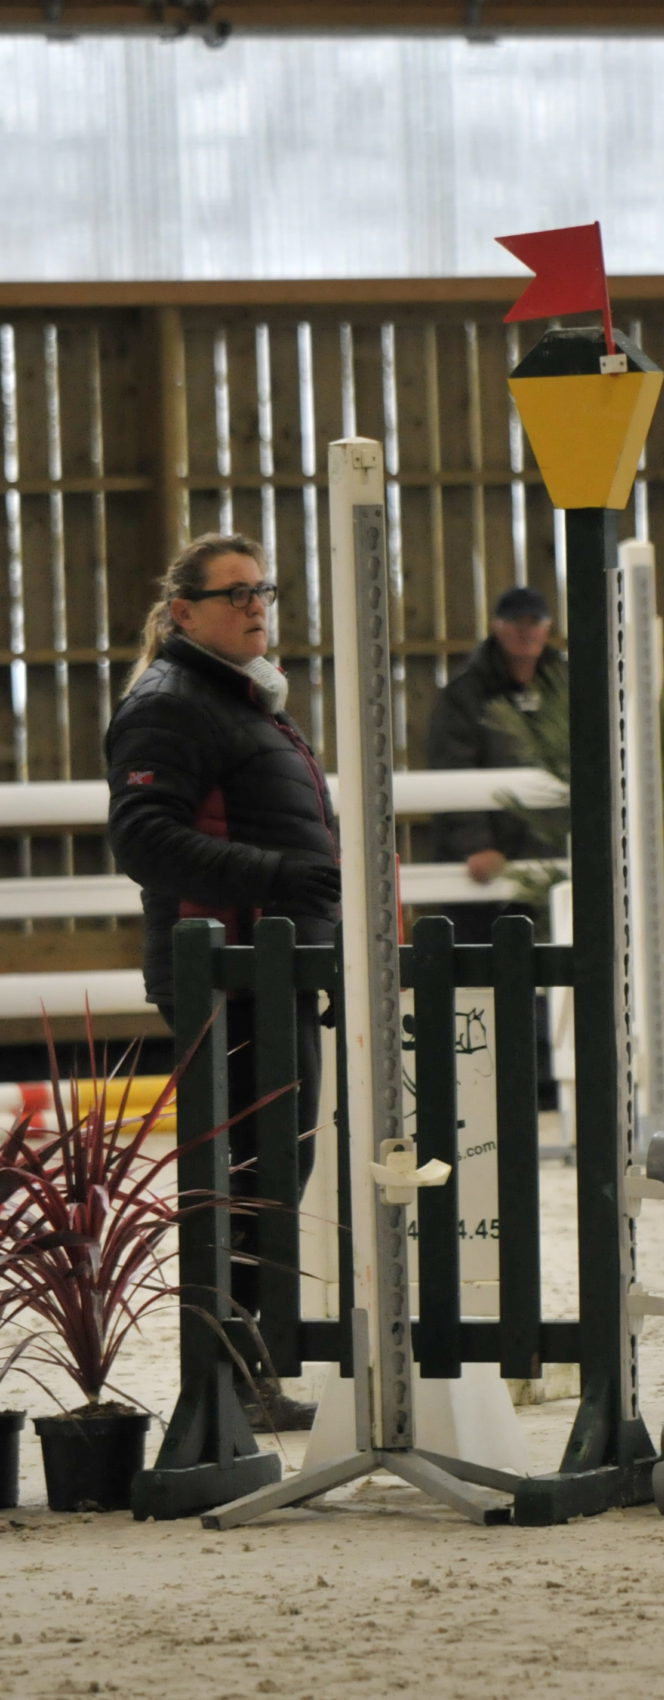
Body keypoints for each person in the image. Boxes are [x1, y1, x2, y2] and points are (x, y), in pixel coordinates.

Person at [104, 533, 336, 1429]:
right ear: (183, 613)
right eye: (234, 593)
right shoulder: (171, 703)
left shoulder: (237, 700)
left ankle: (249, 1376)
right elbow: (144, 841)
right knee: (247, 1180)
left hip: (266, 967)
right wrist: (281, 879)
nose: (254, 605)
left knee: (274, 1173)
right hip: (227, 972)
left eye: (262, 590)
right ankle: (230, 1381)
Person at [424, 586, 565, 945]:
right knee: (481, 973)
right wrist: (476, 846)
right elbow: (452, 770)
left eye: (535, 621)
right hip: (483, 865)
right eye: (516, 622)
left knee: (558, 973)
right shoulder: (465, 694)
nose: (526, 630)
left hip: (552, 860)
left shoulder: (568, 687)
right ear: (497, 627)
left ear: (548, 628)